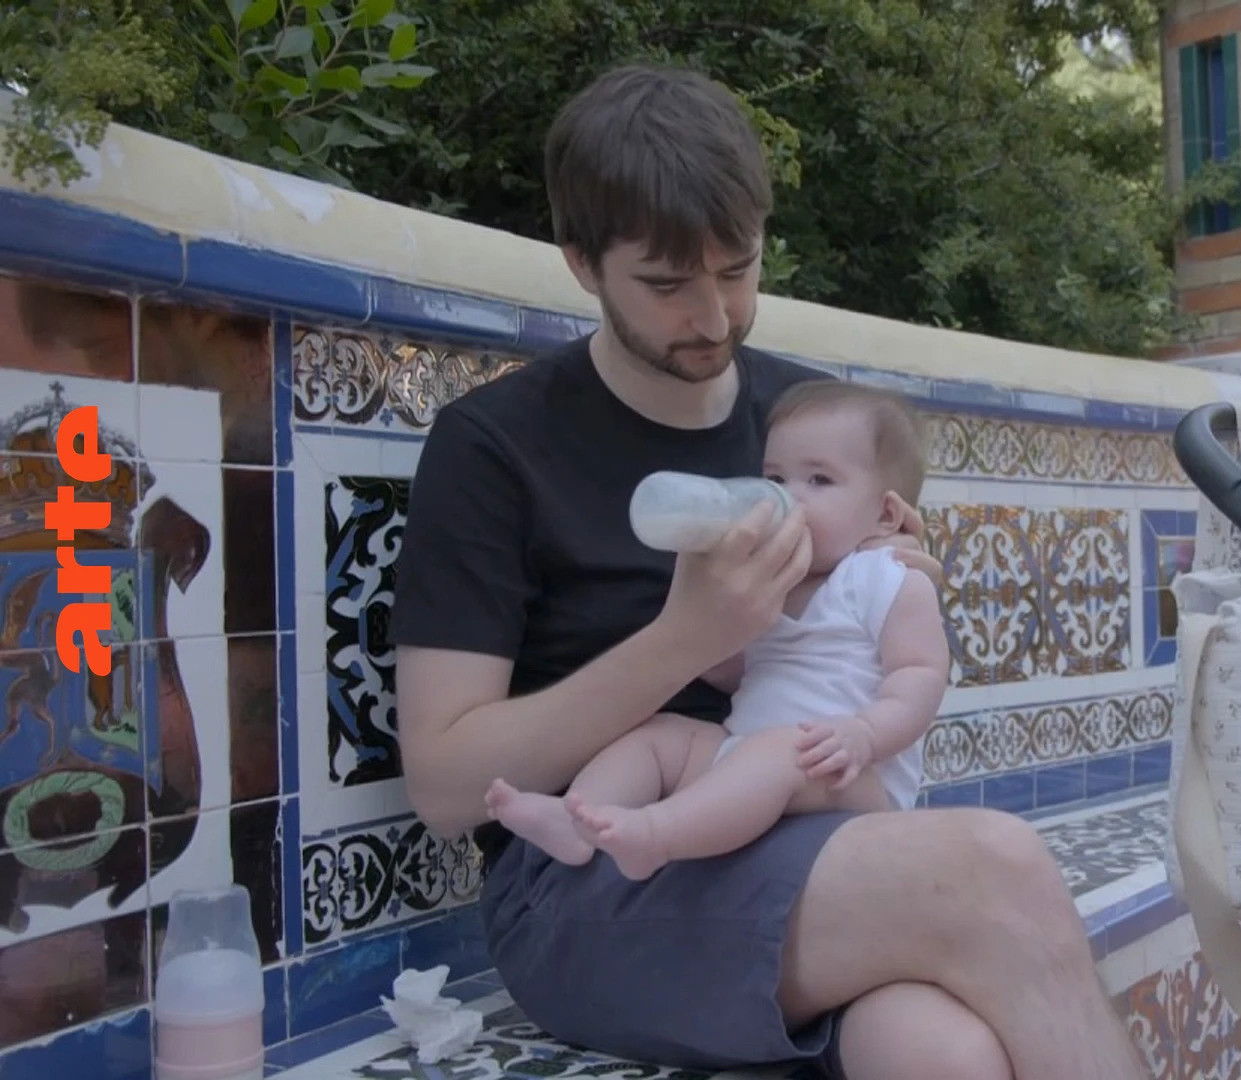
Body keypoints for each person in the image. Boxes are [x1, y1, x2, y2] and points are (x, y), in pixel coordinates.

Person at [390, 61, 1149, 1080]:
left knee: (941, 1052)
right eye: (666, 285)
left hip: (806, 829)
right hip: (592, 880)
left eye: (738, 269)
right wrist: (686, 641)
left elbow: (886, 636)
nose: (713, 315)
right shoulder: (495, 447)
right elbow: (445, 786)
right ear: (581, 263)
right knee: (993, 867)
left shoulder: (812, 426)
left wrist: (894, 573)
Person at [482, 380, 947, 882]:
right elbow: (736, 672)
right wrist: (703, 627)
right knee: (661, 737)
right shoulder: (771, 581)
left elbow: (920, 675)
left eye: (819, 480)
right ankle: (577, 817)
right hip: (745, 751)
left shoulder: (887, 577)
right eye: (775, 478)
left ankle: (655, 836)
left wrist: (866, 734)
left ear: (886, 514)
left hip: (851, 775)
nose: (787, 497)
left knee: (781, 752)